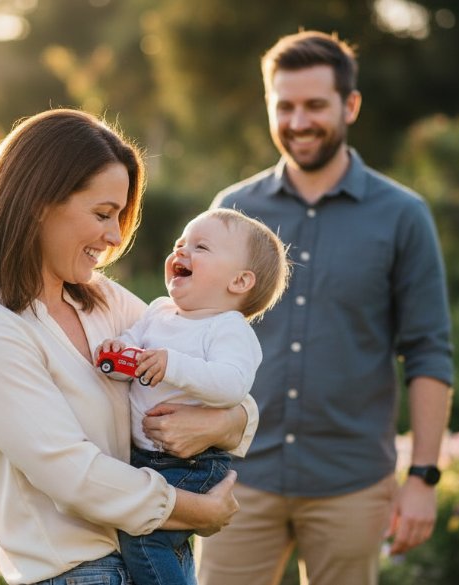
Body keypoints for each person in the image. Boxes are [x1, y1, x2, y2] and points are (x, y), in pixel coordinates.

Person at [0, 109, 261, 585]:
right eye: (103, 214)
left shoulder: (101, 299)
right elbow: (73, 475)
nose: (115, 237)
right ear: (38, 202)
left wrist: (229, 420)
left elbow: (219, 374)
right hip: (77, 574)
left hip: (151, 559)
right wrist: (195, 510)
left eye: (120, 216)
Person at [197, 31, 454, 585]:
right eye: (284, 106)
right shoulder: (231, 211)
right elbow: (196, 330)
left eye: (315, 105)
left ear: (350, 105)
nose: (298, 121)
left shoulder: (402, 215)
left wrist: (424, 478)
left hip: (351, 484)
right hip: (238, 477)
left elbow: (429, 351)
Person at [96, 208, 290, 585]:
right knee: (159, 538)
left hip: (192, 464)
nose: (181, 252)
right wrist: (117, 353)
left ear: (239, 281)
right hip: (145, 457)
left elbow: (232, 384)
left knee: (146, 539)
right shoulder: (158, 312)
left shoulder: (228, 330)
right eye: (180, 244)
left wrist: (172, 366)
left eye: (200, 247)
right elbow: (134, 350)